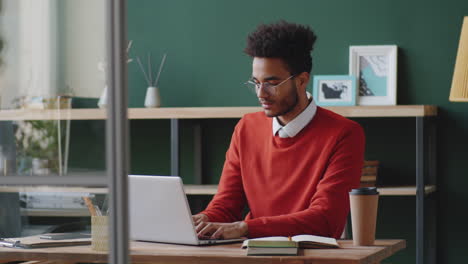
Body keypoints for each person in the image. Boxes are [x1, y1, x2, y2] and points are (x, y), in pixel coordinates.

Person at [193, 20, 365, 240]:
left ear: (302, 81)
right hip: (253, 253)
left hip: (311, 257)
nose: (260, 93)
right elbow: (226, 205)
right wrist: (202, 220)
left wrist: (246, 228)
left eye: (271, 83)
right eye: (255, 82)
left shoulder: (344, 133)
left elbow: (325, 220)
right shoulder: (246, 127)